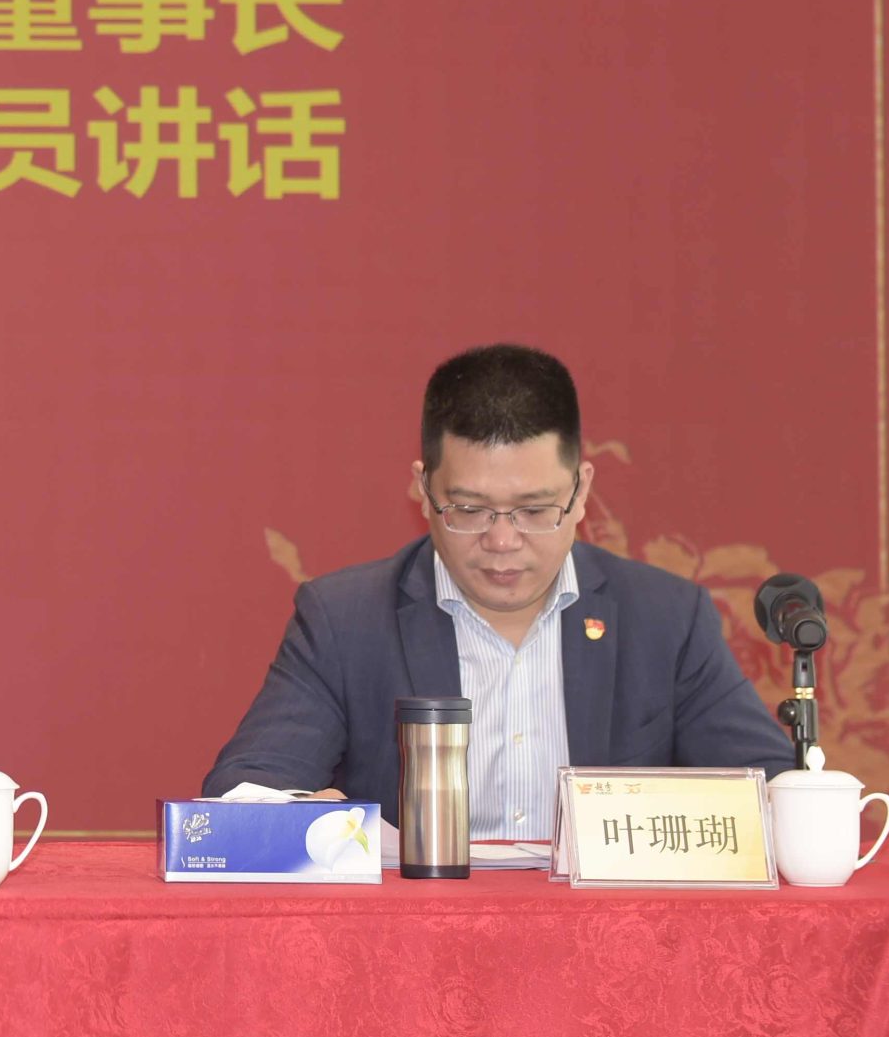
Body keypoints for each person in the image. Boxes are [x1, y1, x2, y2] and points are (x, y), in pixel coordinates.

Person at [203, 343, 791, 835]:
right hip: (418, 931)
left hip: (605, 932)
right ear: (423, 490)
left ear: (582, 490)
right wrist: (308, 821)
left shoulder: (665, 619)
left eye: (535, 510)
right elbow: (243, 794)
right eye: (469, 509)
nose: (503, 541)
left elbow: (772, 793)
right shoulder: (346, 620)